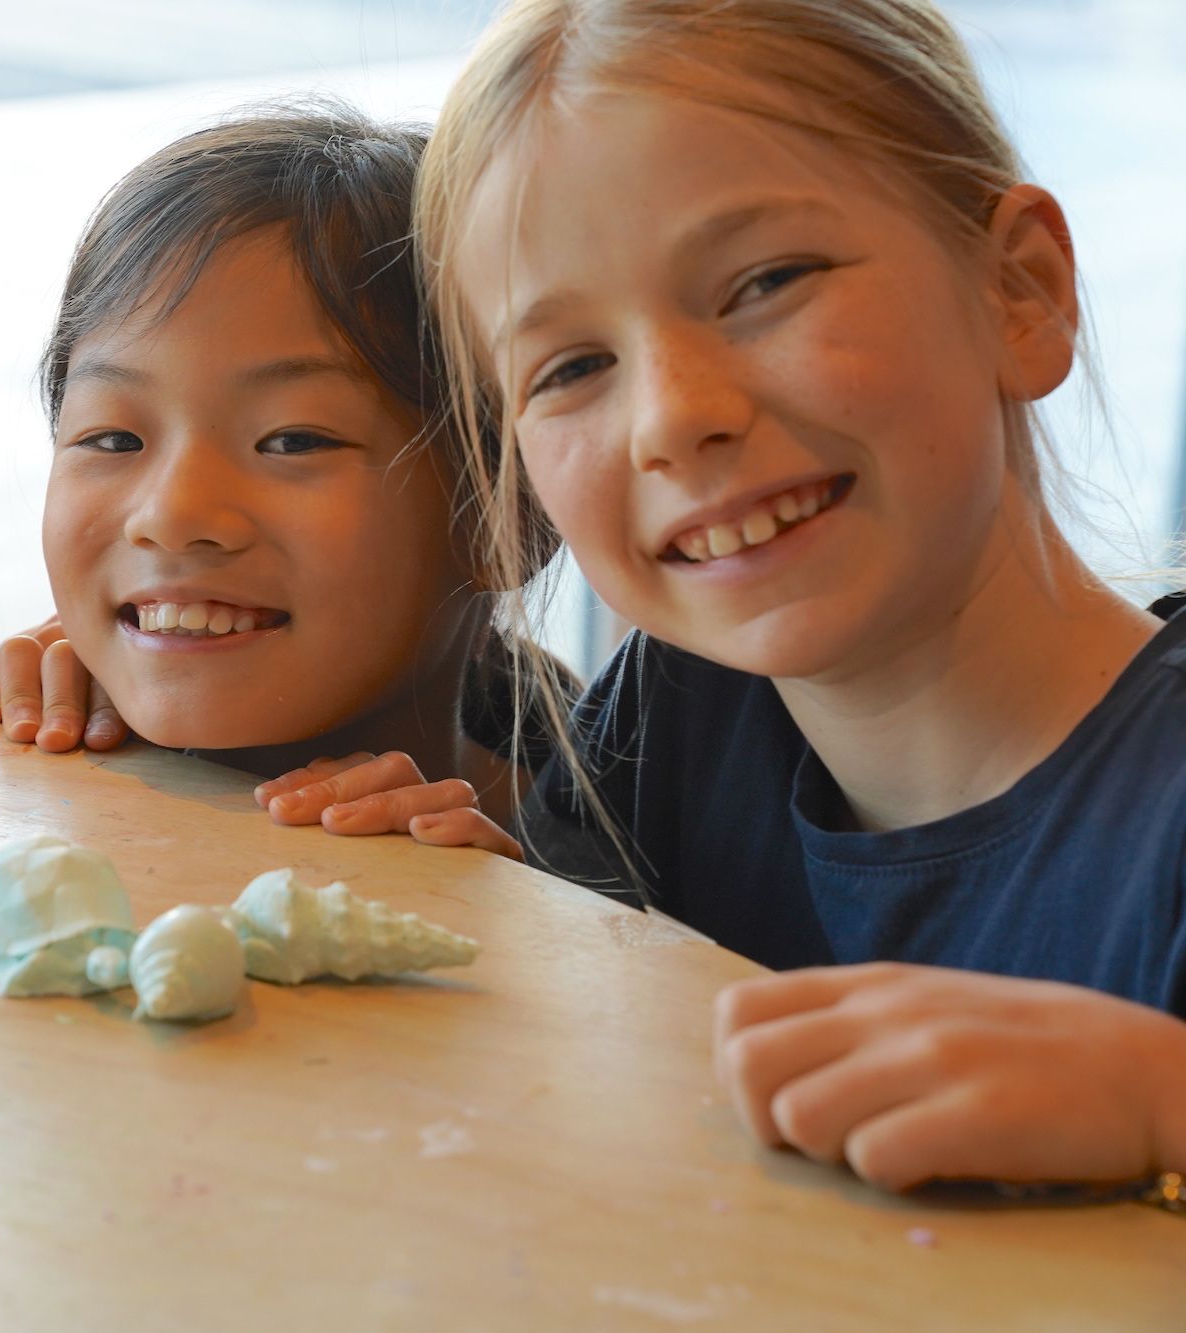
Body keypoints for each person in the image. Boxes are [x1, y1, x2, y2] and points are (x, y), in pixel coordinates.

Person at [413, 0, 1186, 1193]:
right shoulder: (666, 721)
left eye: (764, 282)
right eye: (571, 367)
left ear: (1018, 293)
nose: (673, 415)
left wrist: (1161, 1102)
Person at [0, 105, 574, 857]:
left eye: (291, 440)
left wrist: (513, 918)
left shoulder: (612, 865)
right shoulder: (19, 771)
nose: (172, 515)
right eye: (114, 437)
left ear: (507, 516)